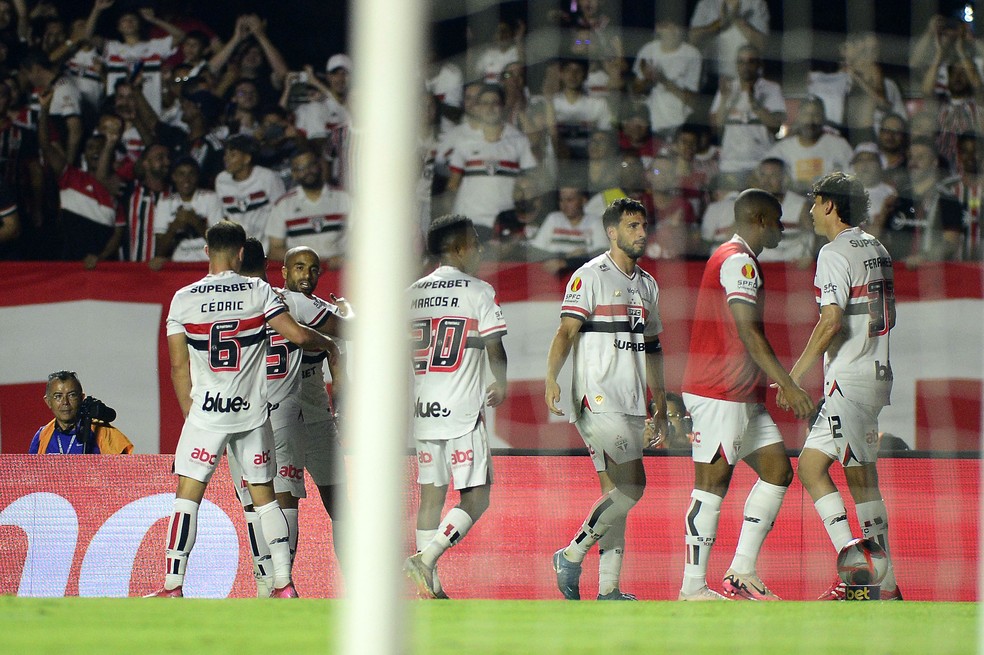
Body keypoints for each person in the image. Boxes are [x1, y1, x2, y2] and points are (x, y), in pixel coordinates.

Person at [146, 220, 336, 598]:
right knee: (265, 497)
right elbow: (298, 336)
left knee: (187, 497)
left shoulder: (184, 298)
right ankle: (283, 583)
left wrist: (191, 416)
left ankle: (173, 584)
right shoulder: (259, 291)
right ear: (241, 253)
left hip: (207, 414)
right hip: (252, 413)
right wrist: (328, 343)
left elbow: (178, 367)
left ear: (206, 251)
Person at [679, 188, 814, 601]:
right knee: (711, 484)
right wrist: (788, 383)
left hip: (741, 394)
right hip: (720, 391)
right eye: (777, 221)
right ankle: (692, 587)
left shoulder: (735, 258)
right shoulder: (738, 261)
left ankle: (741, 572)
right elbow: (748, 331)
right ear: (759, 220)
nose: (781, 229)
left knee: (777, 471)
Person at [780, 171, 902, 601]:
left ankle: (884, 587)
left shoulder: (833, 252)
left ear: (829, 205)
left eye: (814, 202)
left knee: (862, 480)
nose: (811, 211)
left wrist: (793, 376)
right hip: (873, 371)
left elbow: (831, 320)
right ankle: (857, 572)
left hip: (851, 379)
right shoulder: (877, 247)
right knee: (811, 468)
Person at [546, 197, 667, 601]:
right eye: (633, 226)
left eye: (644, 225)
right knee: (633, 487)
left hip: (631, 401)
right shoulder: (590, 275)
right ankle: (570, 554)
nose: (641, 233)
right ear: (612, 232)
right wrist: (551, 378)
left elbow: (653, 347)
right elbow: (566, 332)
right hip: (596, 398)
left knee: (617, 497)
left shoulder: (648, 285)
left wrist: (659, 403)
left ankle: (609, 588)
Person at [228, 241, 346, 596]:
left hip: (249, 415)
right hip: (290, 414)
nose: (306, 275)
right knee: (287, 499)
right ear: (275, 267)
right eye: (299, 267)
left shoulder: (227, 305)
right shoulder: (292, 303)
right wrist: (336, 334)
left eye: (312, 269)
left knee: (259, 502)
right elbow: (346, 331)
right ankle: (280, 583)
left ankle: (267, 583)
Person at [404, 213, 508, 599]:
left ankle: (429, 589)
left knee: (431, 497)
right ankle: (426, 559)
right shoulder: (478, 291)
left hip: (423, 411)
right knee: (477, 496)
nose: (479, 251)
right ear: (460, 248)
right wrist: (501, 381)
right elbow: (495, 346)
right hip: (462, 411)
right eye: (475, 244)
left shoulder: (411, 293)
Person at [265, 148, 350, 265]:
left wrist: (346, 258)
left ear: (320, 166)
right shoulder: (283, 204)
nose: (308, 171)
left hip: (339, 269)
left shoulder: (345, 198)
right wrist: (305, 260)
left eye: (311, 165)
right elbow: (274, 250)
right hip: (302, 272)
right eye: (301, 169)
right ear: (294, 174)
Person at [29, 370, 133, 454]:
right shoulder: (42, 436)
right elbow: (31, 471)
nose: (65, 402)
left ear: (82, 398)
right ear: (48, 402)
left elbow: (123, 470)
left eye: (72, 395)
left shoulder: (102, 431)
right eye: (58, 396)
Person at [215, 134, 286, 250]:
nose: (226, 159)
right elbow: (225, 216)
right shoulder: (221, 180)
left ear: (247, 158)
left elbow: (282, 210)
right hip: (237, 250)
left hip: (266, 247)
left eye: (232, 155)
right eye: (225, 154)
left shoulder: (267, 177)